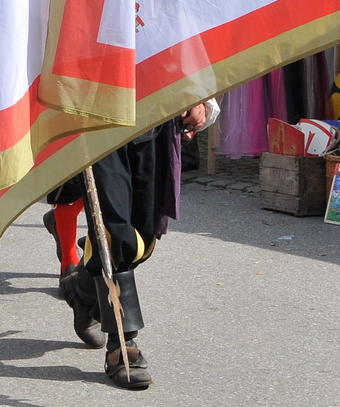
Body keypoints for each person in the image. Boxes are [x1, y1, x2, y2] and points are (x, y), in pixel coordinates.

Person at [53, 103, 218, 389]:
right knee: (115, 236)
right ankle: (122, 346)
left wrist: (203, 99)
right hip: (98, 117)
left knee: (144, 239)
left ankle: (81, 289)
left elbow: (187, 56)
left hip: (157, 114)